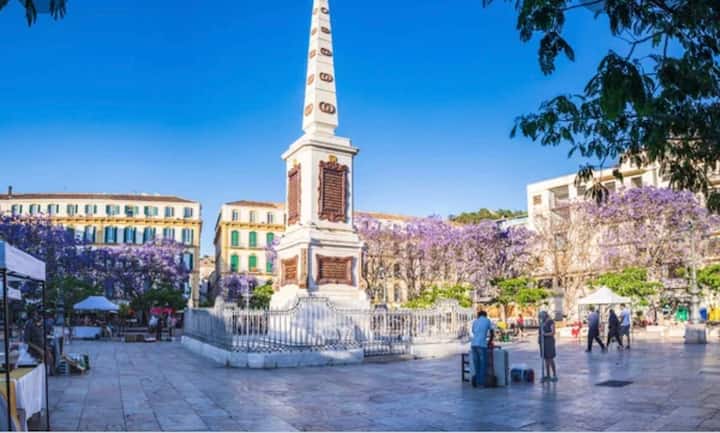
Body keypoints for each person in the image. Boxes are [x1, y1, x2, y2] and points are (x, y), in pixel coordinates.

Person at [470, 310, 494, 388]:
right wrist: (490, 341)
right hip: (482, 345)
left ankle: (477, 382)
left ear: (479, 315)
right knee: (483, 364)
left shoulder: (475, 321)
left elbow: (473, 331)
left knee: (476, 364)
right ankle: (482, 383)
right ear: (485, 315)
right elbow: (492, 332)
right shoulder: (487, 320)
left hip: (473, 344)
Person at [538, 311, 557, 382]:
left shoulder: (550, 321)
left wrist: (545, 334)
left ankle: (554, 375)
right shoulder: (542, 322)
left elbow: (553, 332)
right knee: (546, 359)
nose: (541, 318)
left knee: (550, 358)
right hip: (543, 343)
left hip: (549, 342)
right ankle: (548, 375)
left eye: (541, 316)